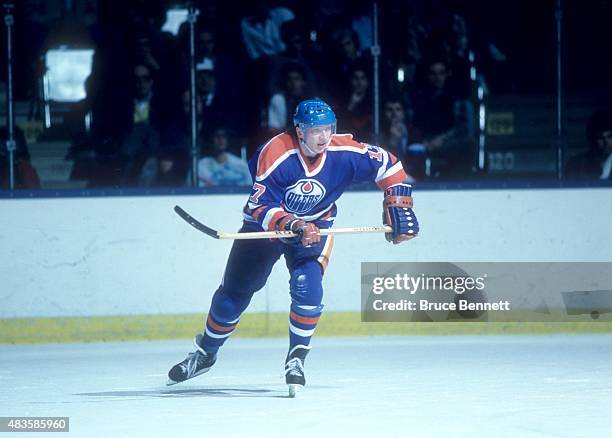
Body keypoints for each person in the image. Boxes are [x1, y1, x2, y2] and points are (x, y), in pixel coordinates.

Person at [167, 99, 419, 396]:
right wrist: (294, 224)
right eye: (315, 131)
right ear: (300, 131)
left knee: (307, 289)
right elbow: (259, 205)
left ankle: (296, 359)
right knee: (232, 295)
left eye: (328, 129)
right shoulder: (275, 153)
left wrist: (398, 201)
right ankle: (206, 354)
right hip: (266, 230)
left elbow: (390, 164)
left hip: (317, 228)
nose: (323, 137)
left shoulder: (344, 151)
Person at [565, 109, 612, 179]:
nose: (606, 142)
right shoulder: (577, 164)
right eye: (600, 138)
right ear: (594, 139)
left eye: (610, 136)